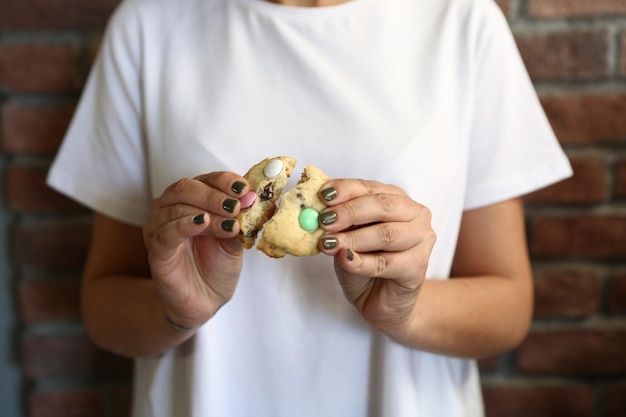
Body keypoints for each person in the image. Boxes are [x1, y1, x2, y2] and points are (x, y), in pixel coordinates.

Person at [47, 0, 573, 415]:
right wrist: (175, 312)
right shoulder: (149, 24)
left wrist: (406, 311)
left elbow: (508, 307)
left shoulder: (462, 22)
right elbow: (103, 304)